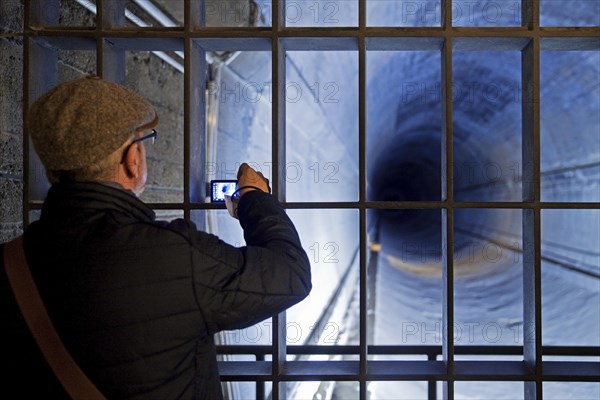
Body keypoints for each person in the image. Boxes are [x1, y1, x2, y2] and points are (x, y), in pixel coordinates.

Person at [0, 76, 311, 399]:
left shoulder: (11, 263)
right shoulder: (174, 258)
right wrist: (253, 197)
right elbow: (291, 274)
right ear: (132, 160)